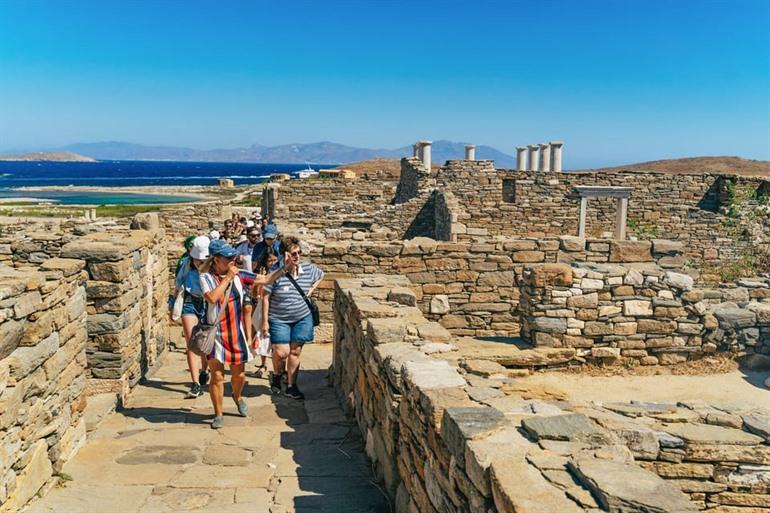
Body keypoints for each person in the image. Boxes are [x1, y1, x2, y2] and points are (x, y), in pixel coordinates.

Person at [200, 239, 293, 429]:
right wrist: (227, 279)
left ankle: (237, 395)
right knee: (217, 376)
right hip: (216, 334)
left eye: (233, 257)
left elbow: (265, 279)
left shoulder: (240, 275)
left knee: (239, 375)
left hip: (236, 333)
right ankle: (218, 414)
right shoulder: (205, 278)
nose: (232, 261)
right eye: (228, 258)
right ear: (216, 260)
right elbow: (212, 298)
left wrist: (284, 267)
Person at [263, 236, 324, 400]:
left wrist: (311, 289)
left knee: (295, 352)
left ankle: (291, 386)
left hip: (302, 317)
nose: (297, 257)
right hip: (279, 318)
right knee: (282, 352)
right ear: (284, 255)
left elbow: (321, 275)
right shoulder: (275, 273)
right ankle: (276, 373)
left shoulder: (308, 269)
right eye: (293, 254)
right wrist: (264, 322)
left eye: (299, 253)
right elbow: (265, 298)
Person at [171, 236, 210, 398]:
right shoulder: (186, 264)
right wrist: (171, 306)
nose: (199, 263)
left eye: (202, 261)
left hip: (208, 303)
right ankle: (195, 384)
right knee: (192, 343)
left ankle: (204, 370)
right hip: (190, 302)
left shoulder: (214, 266)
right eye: (197, 260)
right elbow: (178, 284)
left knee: (206, 342)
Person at [251, 246, 278, 378]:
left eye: (274, 260)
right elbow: (255, 292)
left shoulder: (281, 272)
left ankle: (278, 368)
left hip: (278, 307)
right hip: (263, 305)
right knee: (263, 334)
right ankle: (263, 364)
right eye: (270, 261)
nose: (272, 263)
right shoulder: (262, 273)